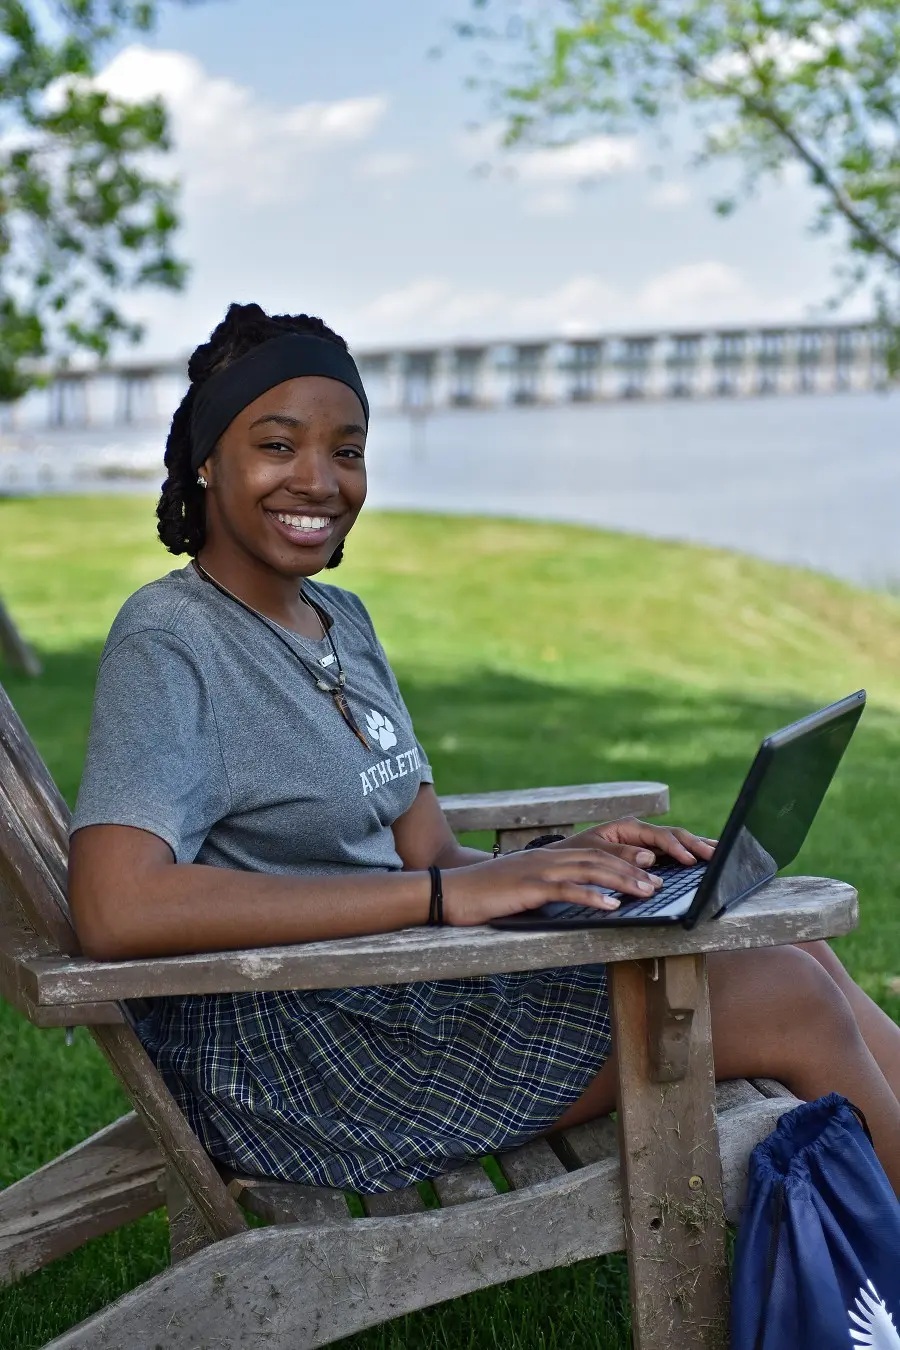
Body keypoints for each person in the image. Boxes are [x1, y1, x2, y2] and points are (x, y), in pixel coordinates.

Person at [68, 302, 900, 1196]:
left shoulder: (338, 619)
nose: (319, 480)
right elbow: (118, 907)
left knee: (791, 951)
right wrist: (440, 896)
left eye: (347, 452)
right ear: (205, 462)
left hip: (396, 989)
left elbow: (430, 851)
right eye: (278, 446)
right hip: (302, 1059)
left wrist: (566, 866)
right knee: (787, 996)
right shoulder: (171, 640)